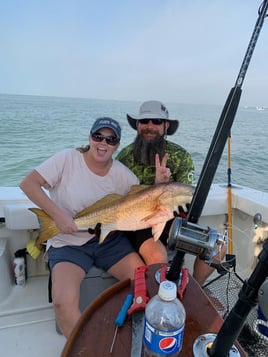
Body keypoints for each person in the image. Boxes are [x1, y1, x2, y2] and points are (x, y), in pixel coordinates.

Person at [20, 117, 145, 338]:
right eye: (98, 136)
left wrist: (163, 185)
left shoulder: (124, 175)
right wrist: (58, 216)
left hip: (109, 240)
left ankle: (129, 337)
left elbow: (144, 201)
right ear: (90, 137)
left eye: (111, 139)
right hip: (68, 243)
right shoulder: (67, 159)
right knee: (61, 303)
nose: (103, 143)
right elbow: (28, 184)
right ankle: (85, 348)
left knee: (145, 286)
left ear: (117, 145)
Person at [116, 100, 226, 286]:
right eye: (144, 121)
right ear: (137, 125)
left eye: (156, 121)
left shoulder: (181, 157)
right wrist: (156, 186)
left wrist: (166, 189)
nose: (150, 126)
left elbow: (186, 198)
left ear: (166, 126)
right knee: (158, 255)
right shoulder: (124, 158)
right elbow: (117, 198)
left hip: (172, 218)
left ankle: (196, 288)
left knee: (217, 247)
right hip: (139, 220)